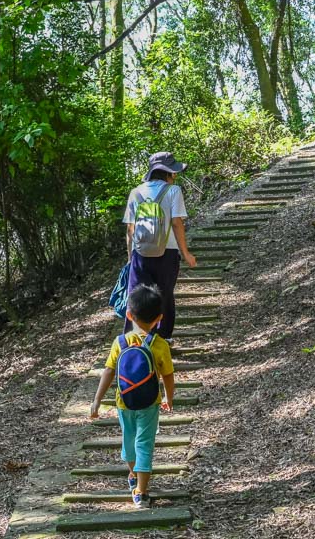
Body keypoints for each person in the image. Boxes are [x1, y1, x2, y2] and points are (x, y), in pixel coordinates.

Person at [89, 284, 175, 509]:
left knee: (129, 441)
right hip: (150, 404)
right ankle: (141, 493)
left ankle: (132, 473)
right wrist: (169, 398)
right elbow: (167, 375)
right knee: (144, 443)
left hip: (124, 403)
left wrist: (97, 401)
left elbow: (108, 371)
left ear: (129, 315)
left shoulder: (119, 343)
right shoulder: (160, 345)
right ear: (159, 318)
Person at [123, 151, 197, 341]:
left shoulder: (136, 192)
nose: (175, 175)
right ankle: (163, 339)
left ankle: (133, 339)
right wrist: (186, 253)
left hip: (140, 253)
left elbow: (130, 230)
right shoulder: (173, 191)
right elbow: (177, 223)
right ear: (168, 173)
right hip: (168, 252)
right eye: (174, 172)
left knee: (137, 296)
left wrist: (131, 259)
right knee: (165, 294)